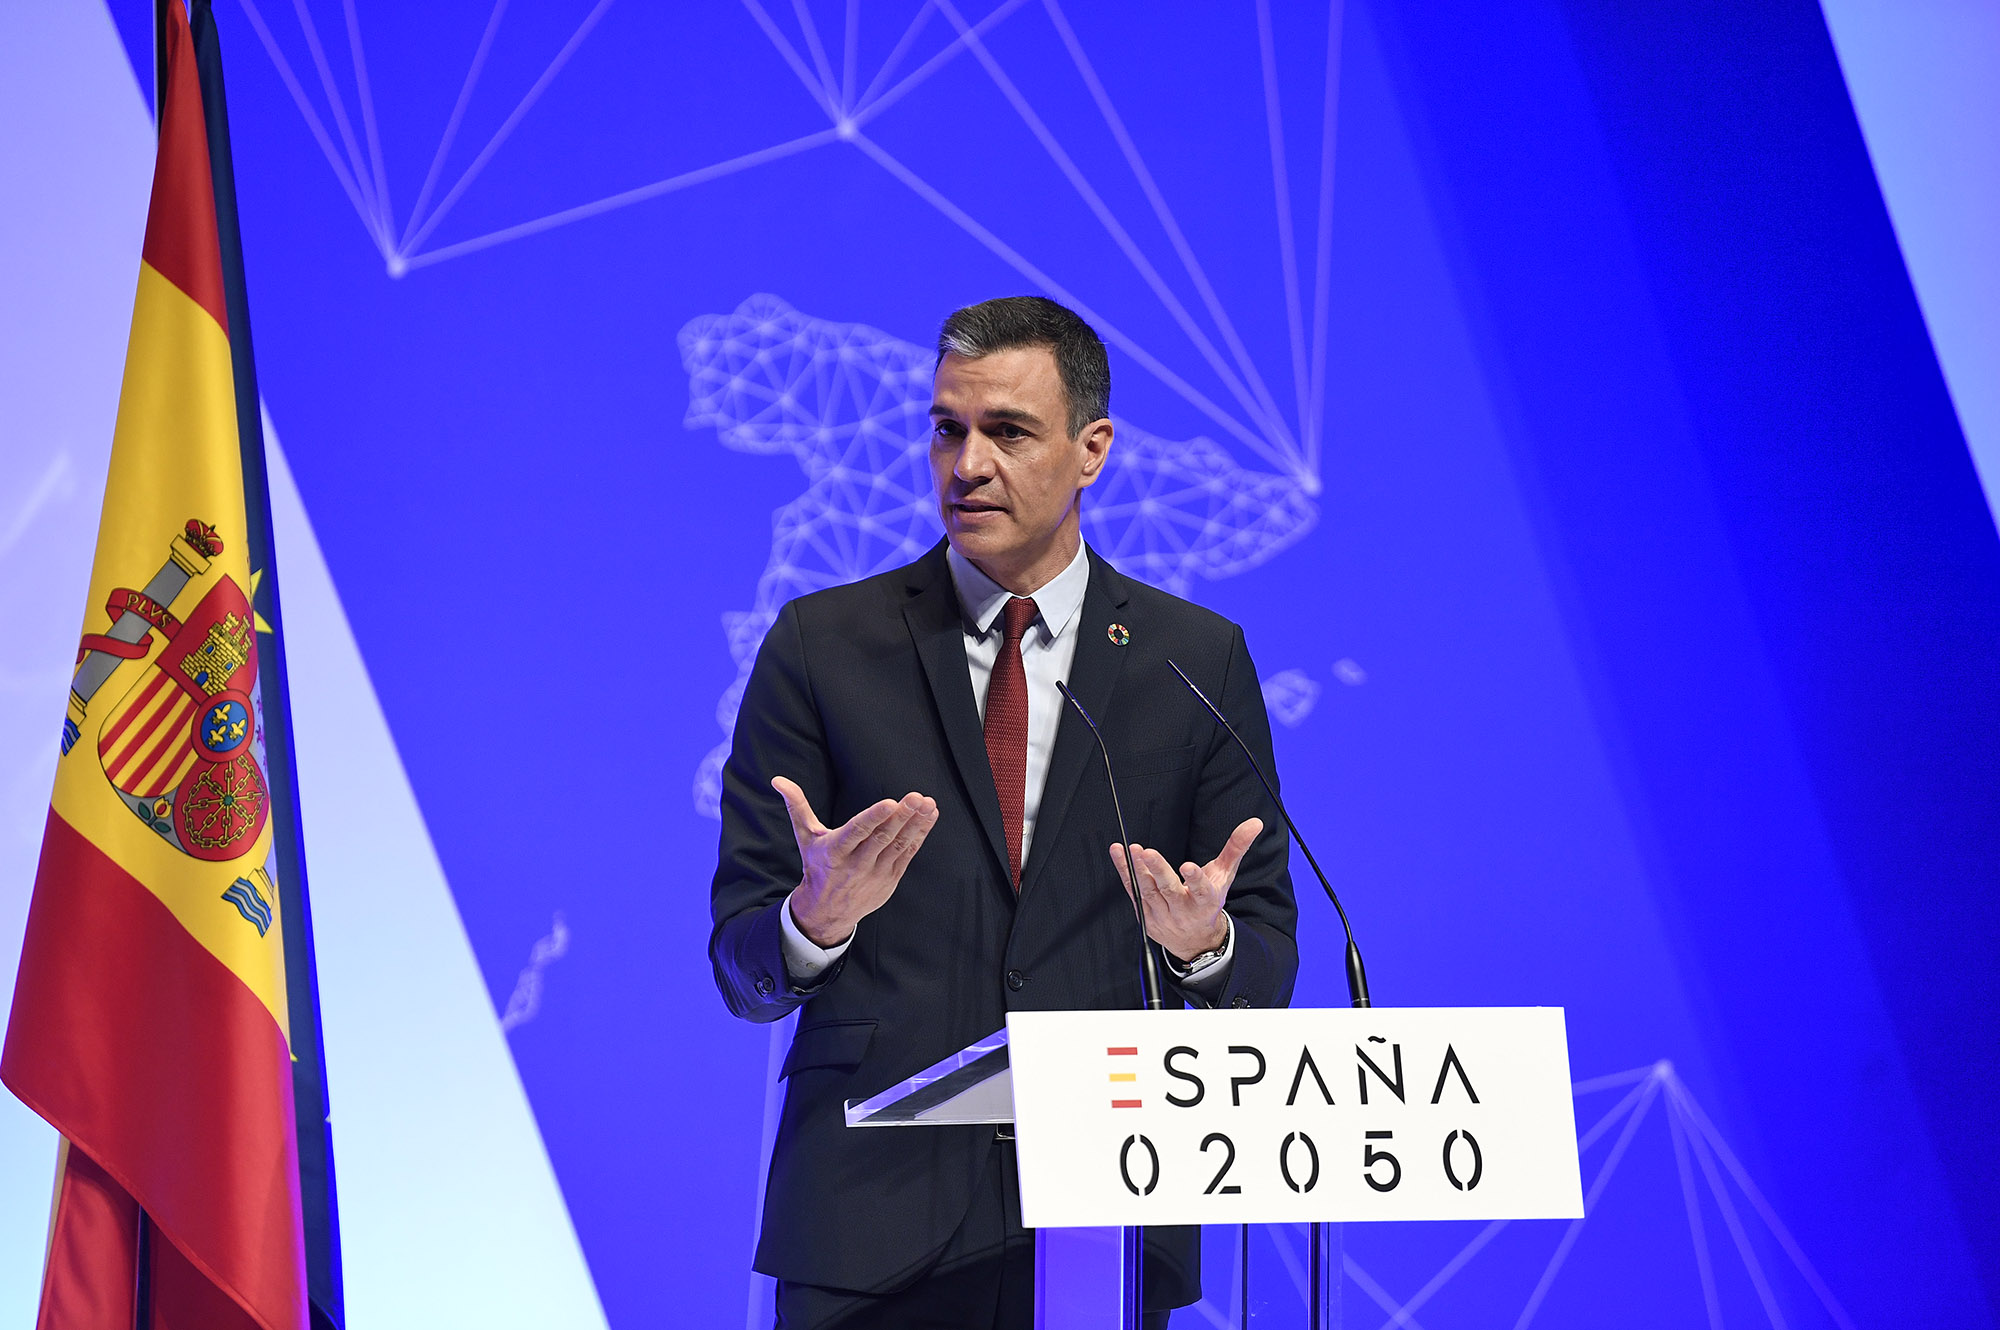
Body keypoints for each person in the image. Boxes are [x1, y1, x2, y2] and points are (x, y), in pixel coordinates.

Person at [710, 296, 1300, 1329]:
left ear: (1091, 449)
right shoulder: (822, 645)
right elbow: (741, 966)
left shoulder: (1192, 661)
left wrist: (1204, 946)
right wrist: (816, 920)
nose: (966, 463)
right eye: (947, 429)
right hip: (865, 1225)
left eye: (1007, 432)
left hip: (1104, 1217)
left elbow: (1265, 969)